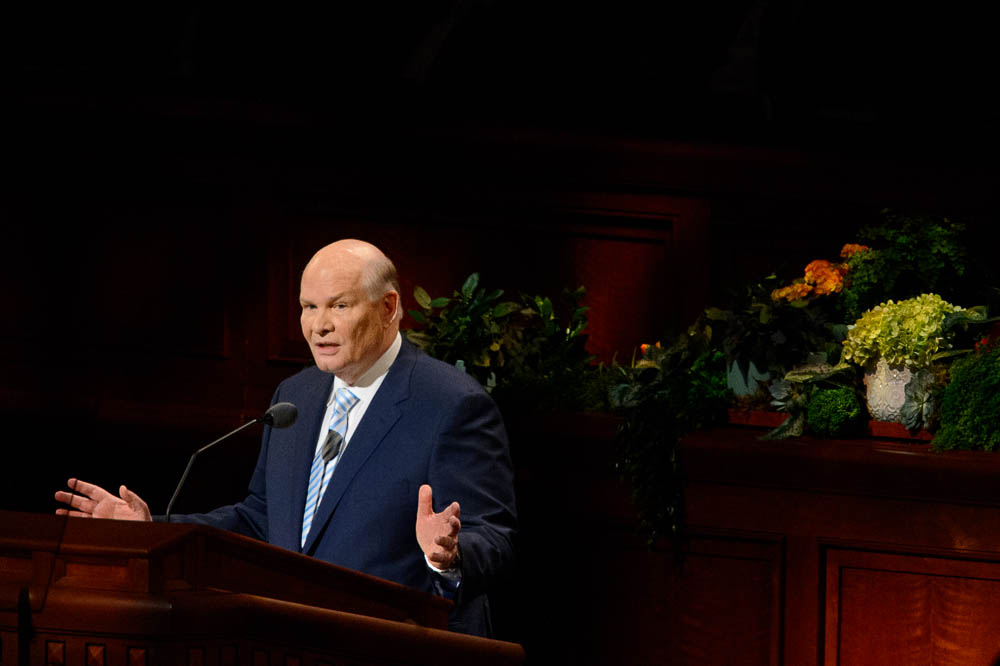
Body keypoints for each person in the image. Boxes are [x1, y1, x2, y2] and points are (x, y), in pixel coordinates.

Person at [55, 239, 517, 637]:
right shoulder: (295, 396)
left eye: (339, 305)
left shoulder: (450, 404)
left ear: (388, 308)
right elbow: (260, 519)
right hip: (292, 643)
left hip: (398, 644)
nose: (319, 326)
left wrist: (449, 554)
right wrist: (155, 530)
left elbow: (493, 538)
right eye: (308, 307)